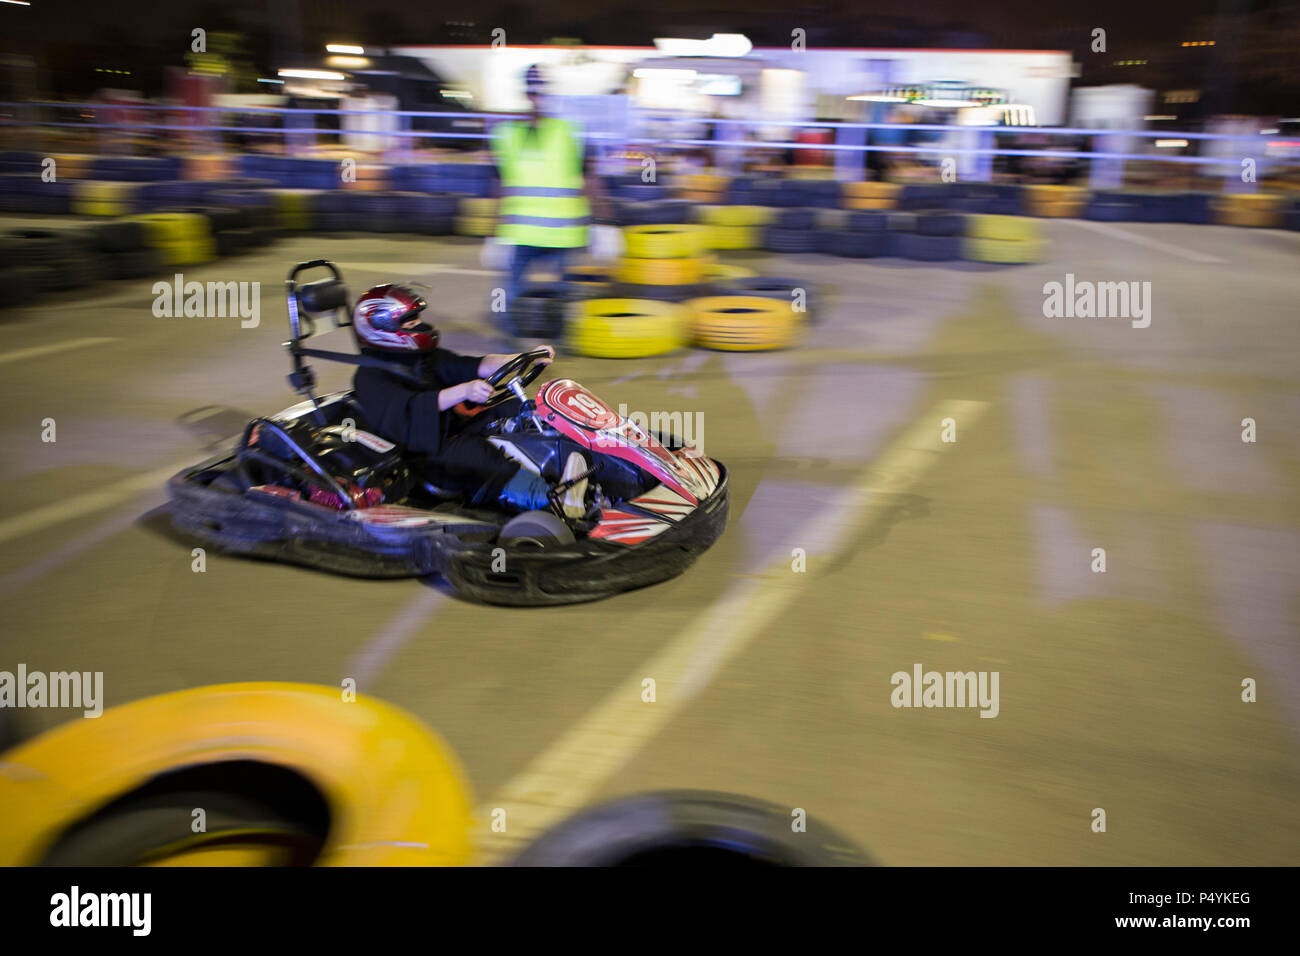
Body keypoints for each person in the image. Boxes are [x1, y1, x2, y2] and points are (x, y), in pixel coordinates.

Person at [349, 282, 590, 517]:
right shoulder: (369, 378)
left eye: (417, 319)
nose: (419, 325)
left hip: (450, 428)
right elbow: (409, 410)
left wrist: (524, 357)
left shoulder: (418, 356)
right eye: (410, 321)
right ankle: (552, 498)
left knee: (517, 409)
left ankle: (586, 453)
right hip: (419, 452)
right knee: (476, 455)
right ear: (381, 328)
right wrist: (463, 391)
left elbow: (471, 366)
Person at [490, 63, 609, 335]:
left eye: (540, 89)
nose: (537, 96)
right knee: (513, 294)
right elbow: (499, 185)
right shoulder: (505, 134)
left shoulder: (571, 132)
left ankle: (554, 340)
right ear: (526, 93)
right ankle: (513, 346)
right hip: (525, 234)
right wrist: (493, 232)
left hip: (560, 236)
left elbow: (591, 180)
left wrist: (604, 222)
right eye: (533, 90)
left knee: (559, 295)